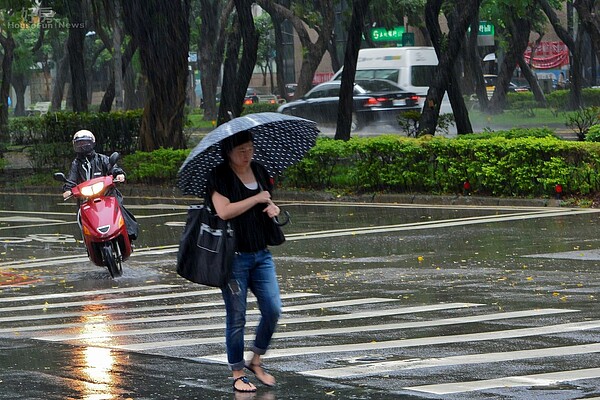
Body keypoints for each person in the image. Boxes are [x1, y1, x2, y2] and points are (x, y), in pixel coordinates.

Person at [206, 130, 282, 393]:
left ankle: (256, 360)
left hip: (261, 254)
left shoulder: (259, 170)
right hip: (233, 258)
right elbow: (224, 211)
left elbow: (266, 201)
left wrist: (272, 207)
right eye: (241, 150)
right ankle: (238, 372)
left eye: (250, 148)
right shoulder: (220, 177)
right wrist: (256, 199)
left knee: (273, 309)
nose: (247, 154)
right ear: (228, 152)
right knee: (237, 316)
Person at [62, 129, 139, 240]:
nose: (82, 146)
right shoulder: (76, 164)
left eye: (85, 143)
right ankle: (87, 240)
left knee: (119, 209)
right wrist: (68, 189)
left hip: (107, 194)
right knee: (80, 216)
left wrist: (119, 174)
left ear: (92, 143)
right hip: (86, 198)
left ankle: (129, 233)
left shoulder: (101, 159)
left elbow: (113, 167)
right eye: (79, 143)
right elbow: (71, 179)